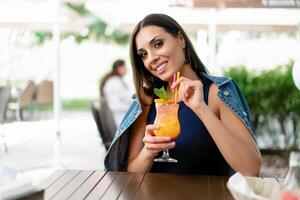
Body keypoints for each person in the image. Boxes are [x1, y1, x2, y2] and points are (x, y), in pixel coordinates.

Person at [104, 14, 261, 176]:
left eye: (158, 44)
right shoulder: (147, 100)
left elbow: (251, 169)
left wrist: (201, 108)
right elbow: (130, 176)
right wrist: (148, 152)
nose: (151, 58)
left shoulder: (216, 92)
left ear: (181, 39)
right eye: (143, 54)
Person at [99, 59, 132, 126]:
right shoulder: (116, 82)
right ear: (119, 68)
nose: (126, 70)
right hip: (119, 118)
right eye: (124, 67)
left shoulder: (112, 80)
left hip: (115, 117)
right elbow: (118, 104)